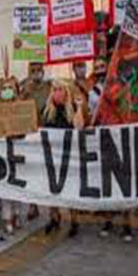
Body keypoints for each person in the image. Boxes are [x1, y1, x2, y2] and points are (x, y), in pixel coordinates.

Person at [42, 80, 84, 236]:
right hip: (52, 156)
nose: (57, 92)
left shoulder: (71, 109)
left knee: (71, 188)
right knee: (52, 188)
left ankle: (74, 220)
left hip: (69, 156)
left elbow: (79, 127)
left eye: (60, 89)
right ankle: (54, 217)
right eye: (54, 89)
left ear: (66, 92)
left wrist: (79, 106)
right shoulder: (47, 111)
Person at [20, 62, 51, 220]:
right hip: (31, 136)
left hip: (49, 135)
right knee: (32, 172)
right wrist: (25, 93)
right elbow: (17, 107)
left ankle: (54, 210)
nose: (37, 73)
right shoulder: (25, 88)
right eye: (33, 71)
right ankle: (33, 206)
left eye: (39, 70)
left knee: (50, 171)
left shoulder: (49, 87)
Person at [0, 76, 24, 238]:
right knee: (5, 187)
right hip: (2, 152)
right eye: (4, 88)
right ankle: (7, 218)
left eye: (10, 88)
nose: (7, 91)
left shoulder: (22, 109)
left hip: (19, 152)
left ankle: (18, 214)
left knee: (19, 186)